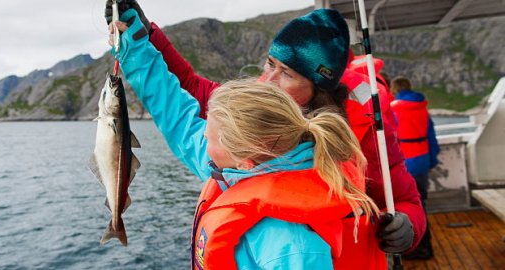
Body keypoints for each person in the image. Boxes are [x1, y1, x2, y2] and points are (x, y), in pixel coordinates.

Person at [106, 3, 426, 269]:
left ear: (318, 86)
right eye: (270, 64)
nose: (268, 80)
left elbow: (406, 201)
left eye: (286, 73)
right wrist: (143, 38)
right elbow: (189, 94)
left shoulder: (367, 136)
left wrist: (407, 228)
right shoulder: (250, 124)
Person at [390, 76, 440, 260]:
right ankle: (426, 247)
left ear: (394, 89)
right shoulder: (422, 108)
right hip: (422, 162)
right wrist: (431, 161)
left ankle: (417, 247)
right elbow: (432, 138)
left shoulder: (393, 109)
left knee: (408, 208)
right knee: (422, 205)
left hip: (404, 164)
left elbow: (390, 139)